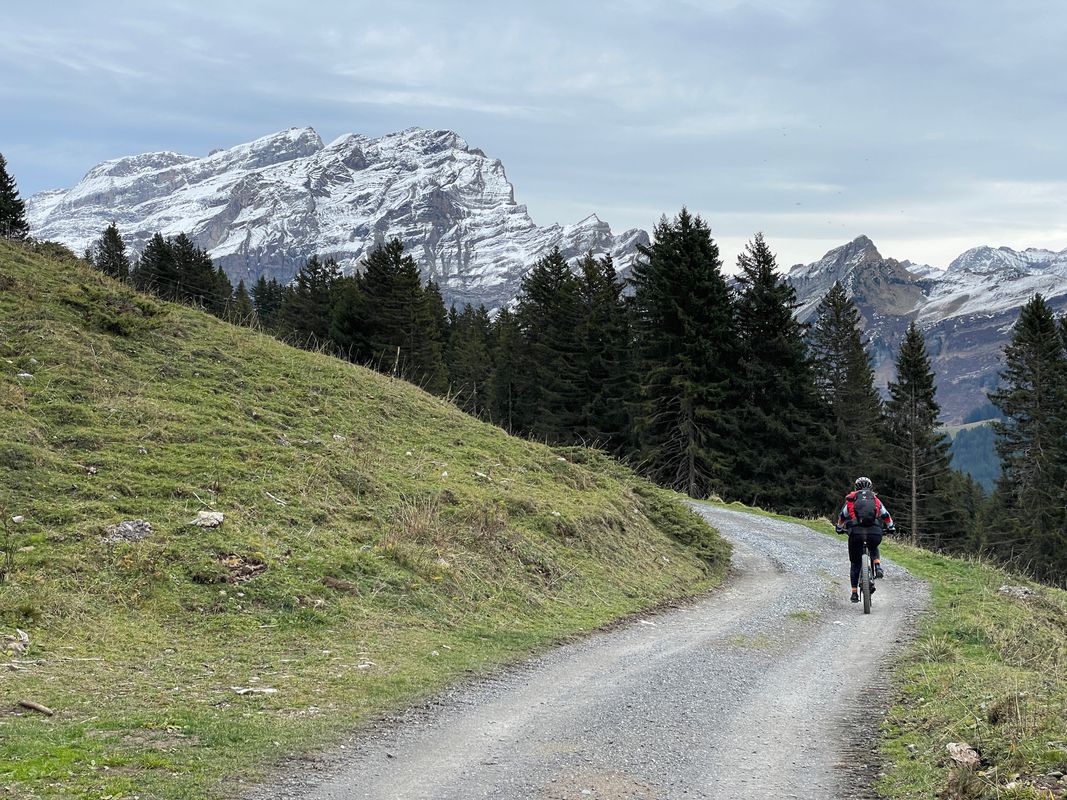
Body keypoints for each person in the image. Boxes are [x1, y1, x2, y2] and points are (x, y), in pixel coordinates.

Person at [835, 476, 895, 603]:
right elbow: (886, 515)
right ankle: (877, 566)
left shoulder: (851, 500)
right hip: (874, 532)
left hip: (855, 533)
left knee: (855, 563)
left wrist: (839, 528)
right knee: (873, 546)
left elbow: (842, 517)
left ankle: (854, 593)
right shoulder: (875, 500)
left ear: (856, 488)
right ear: (871, 488)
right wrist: (891, 527)